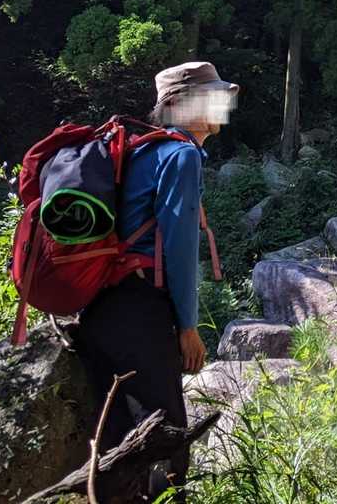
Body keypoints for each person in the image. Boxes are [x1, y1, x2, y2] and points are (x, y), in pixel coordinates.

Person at [73, 60, 237, 502]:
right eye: (213, 96)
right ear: (181, 104)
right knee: (164, 437)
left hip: (101, 310)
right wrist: (188, 326)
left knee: (116, 445)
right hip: (140, 310)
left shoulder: (143, 151)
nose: (223, 105)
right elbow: (180, 248)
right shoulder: (181, 155)